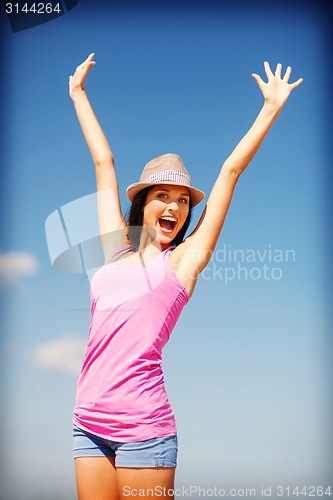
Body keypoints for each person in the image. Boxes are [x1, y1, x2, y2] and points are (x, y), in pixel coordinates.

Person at [68, 53, 303, 500]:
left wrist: (270, 108)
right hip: (87, 423)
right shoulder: (114, 249)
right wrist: (78, 95)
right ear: (143, 204)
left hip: (144, 428)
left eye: (182, 200)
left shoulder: (184, 262)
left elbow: (230, 173)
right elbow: (104, 163)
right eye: (163, 196)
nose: (174, 207)